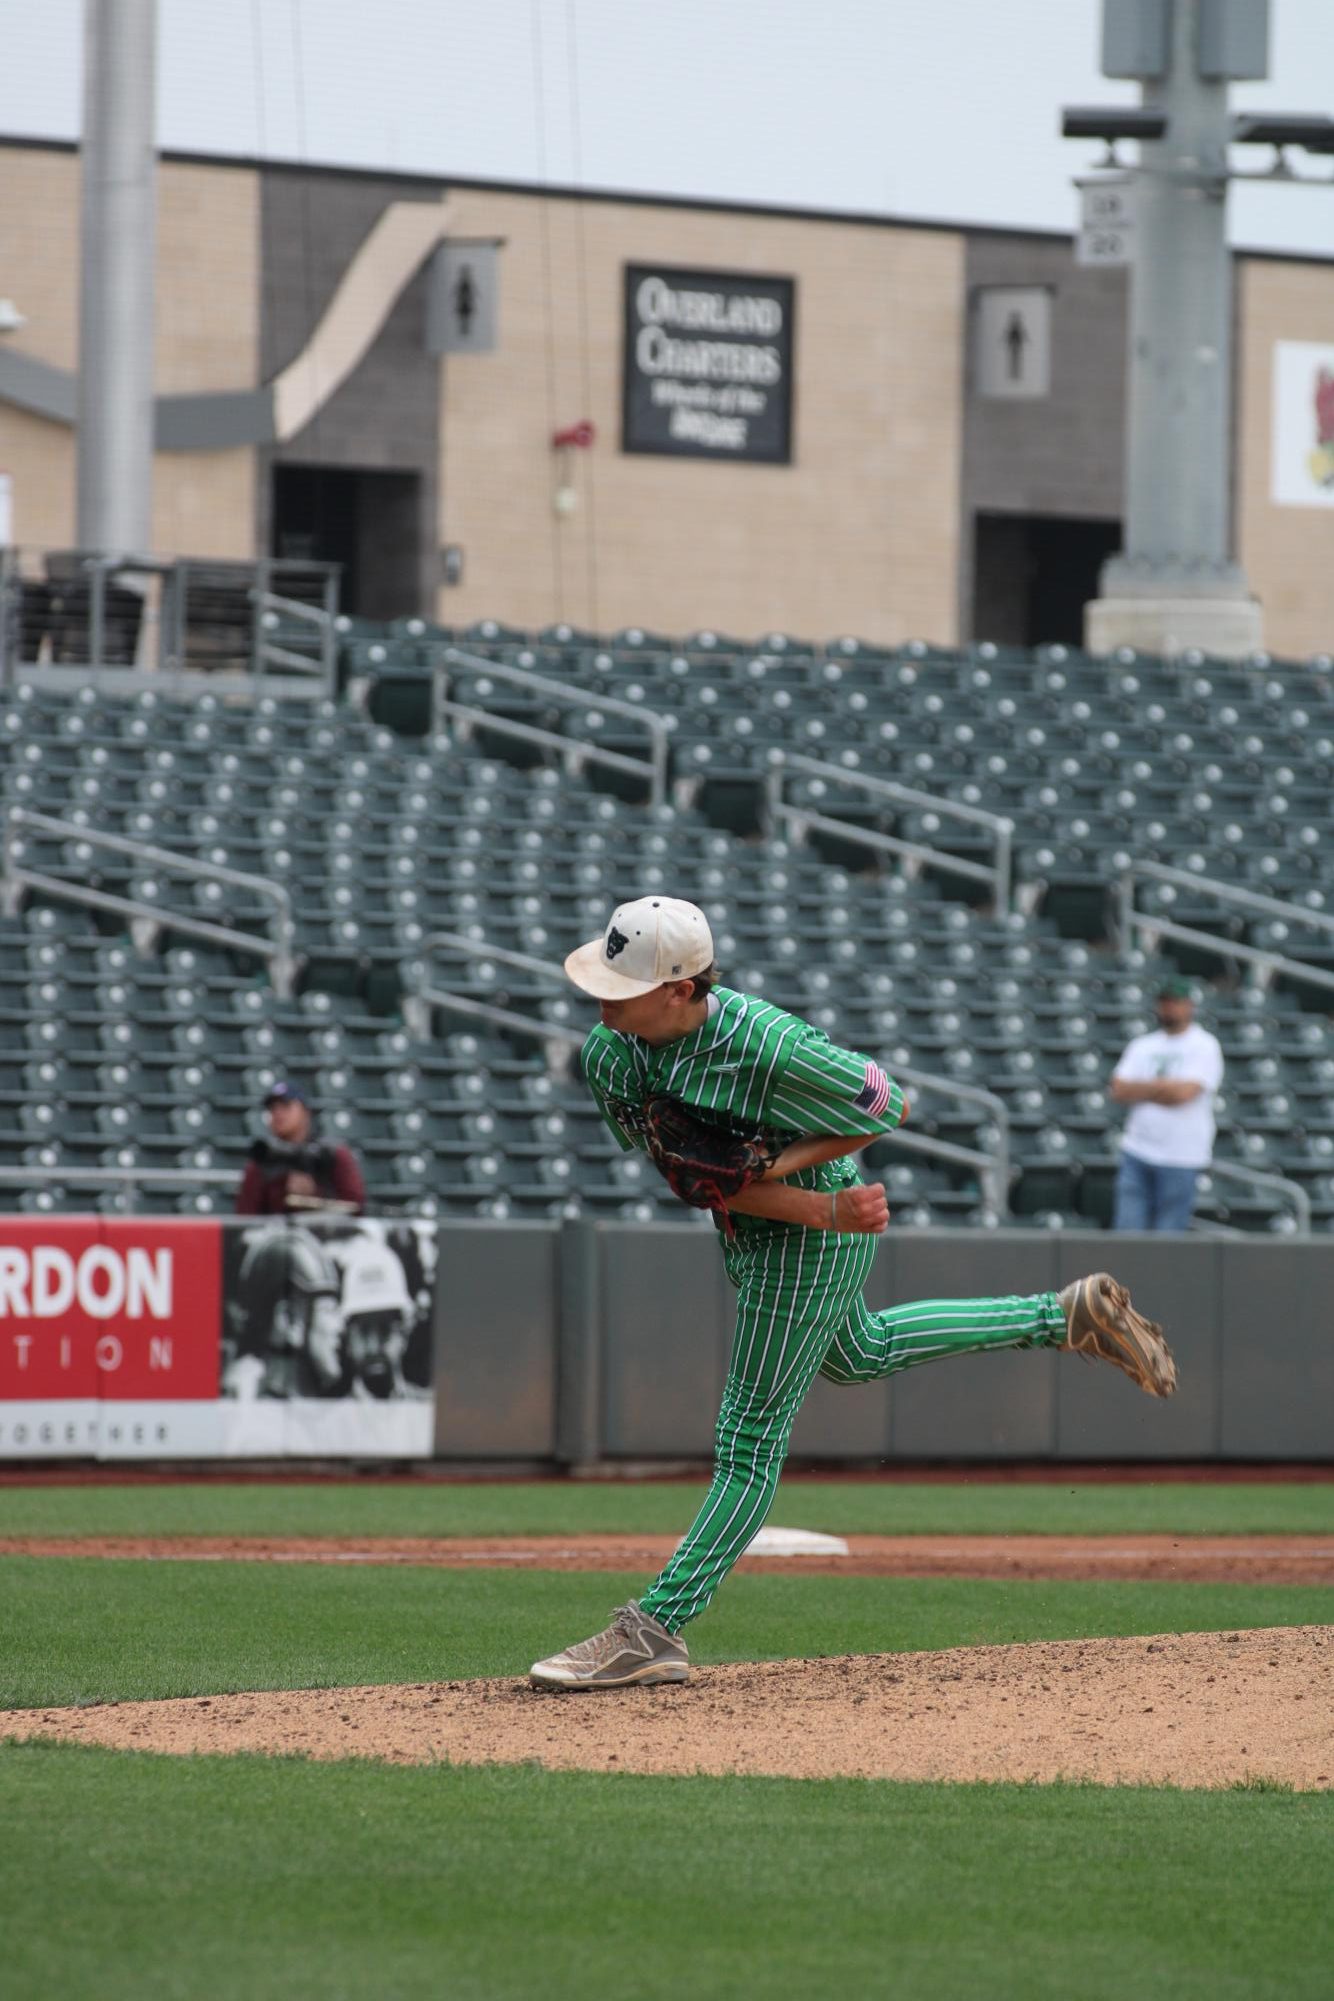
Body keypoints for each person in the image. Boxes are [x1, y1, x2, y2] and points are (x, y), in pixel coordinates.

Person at [529, 895, 1178, 1691]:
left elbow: (888, 1102)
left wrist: (809, 1195)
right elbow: (695, 1178)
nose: (602, 996)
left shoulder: (766, 1042)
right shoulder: (610, 1053)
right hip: (766, 1225)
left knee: (749, 1439)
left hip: (808, 1239)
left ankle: (655, 1627)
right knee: (859, 1352)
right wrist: (776, 1190)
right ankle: (1063, 1315)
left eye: (621, 983)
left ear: (681, 989)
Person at [1109, 977, 1224, 1233]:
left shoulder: (1204, 1045)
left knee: (1168, 1237)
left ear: (1189, 1006)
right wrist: (1164, 1087)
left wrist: (1143, 1089)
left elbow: (1184, 1094)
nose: (1169, 1008)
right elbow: (1118, 1089)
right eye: (1165, 1003)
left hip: (1181, 1155)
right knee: (1127, 1231)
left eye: (1175, 1003)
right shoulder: (1143, 1045)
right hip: (1137, 1150)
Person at [234, 1082, 366, 1217]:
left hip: (330, 1235)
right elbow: (246, 1217)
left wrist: (315, 1195)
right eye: (272, 1109)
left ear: (305, 1113)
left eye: (286, 1106)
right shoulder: (263, 1158)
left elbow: (356, 1208)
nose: (278, 1113)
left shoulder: (332, 1154)